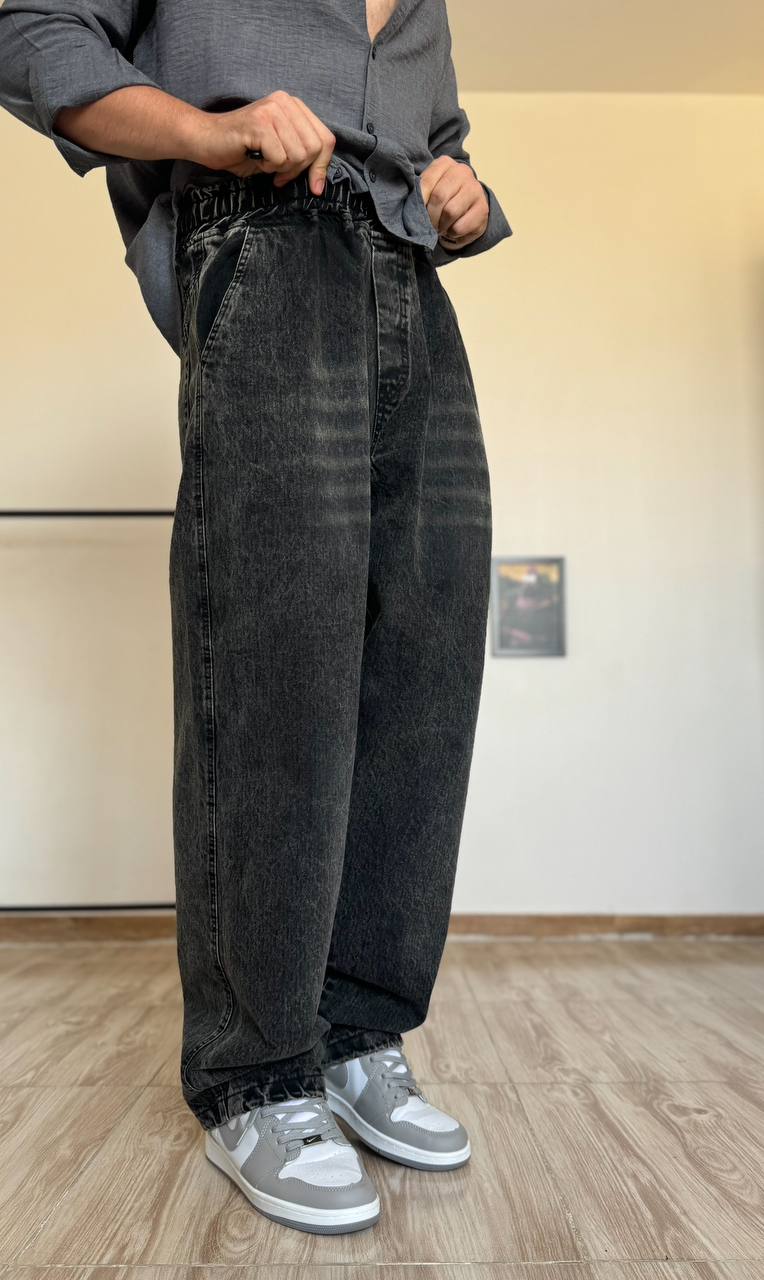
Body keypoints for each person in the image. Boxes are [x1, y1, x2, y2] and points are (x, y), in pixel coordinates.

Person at [0, 0, 512, 1237]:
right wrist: (202, 131)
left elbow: (435, 137)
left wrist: (464, 195)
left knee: (422, 668)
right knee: (276, 669)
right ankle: (257, 1073)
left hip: (411, 296)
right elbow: (32, 35)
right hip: (267, 250)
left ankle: (354, 1032)